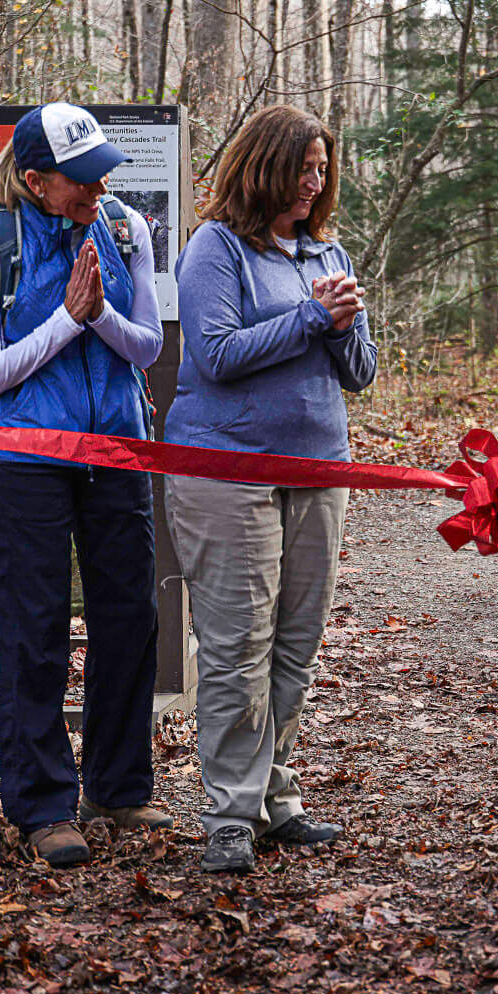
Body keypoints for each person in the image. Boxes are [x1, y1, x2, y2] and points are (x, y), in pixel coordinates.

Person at [165, 104, 376, 875]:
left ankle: (274, 799)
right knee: (235, 649)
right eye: (301, 169)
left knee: (296, 644)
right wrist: (312, 321)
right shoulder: (214, 248)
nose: (313, 184)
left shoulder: (327, 250)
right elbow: (215, 355)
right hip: (228, 471)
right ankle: (228, 813)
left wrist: (346, 325)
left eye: (322, 170)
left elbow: (359, 371)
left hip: (319, 470)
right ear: (263, 169)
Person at [0, 103, 167, 867]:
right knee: (34, 631)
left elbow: (145, 347)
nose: (98, 186)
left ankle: (119, 787)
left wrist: (99, 313)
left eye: (102, 170)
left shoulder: (124, 229)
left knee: (129, 620)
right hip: (27, 463)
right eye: (79, 180)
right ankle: (43, 805)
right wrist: (66, 322)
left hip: (116, 450)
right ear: (38, 180)